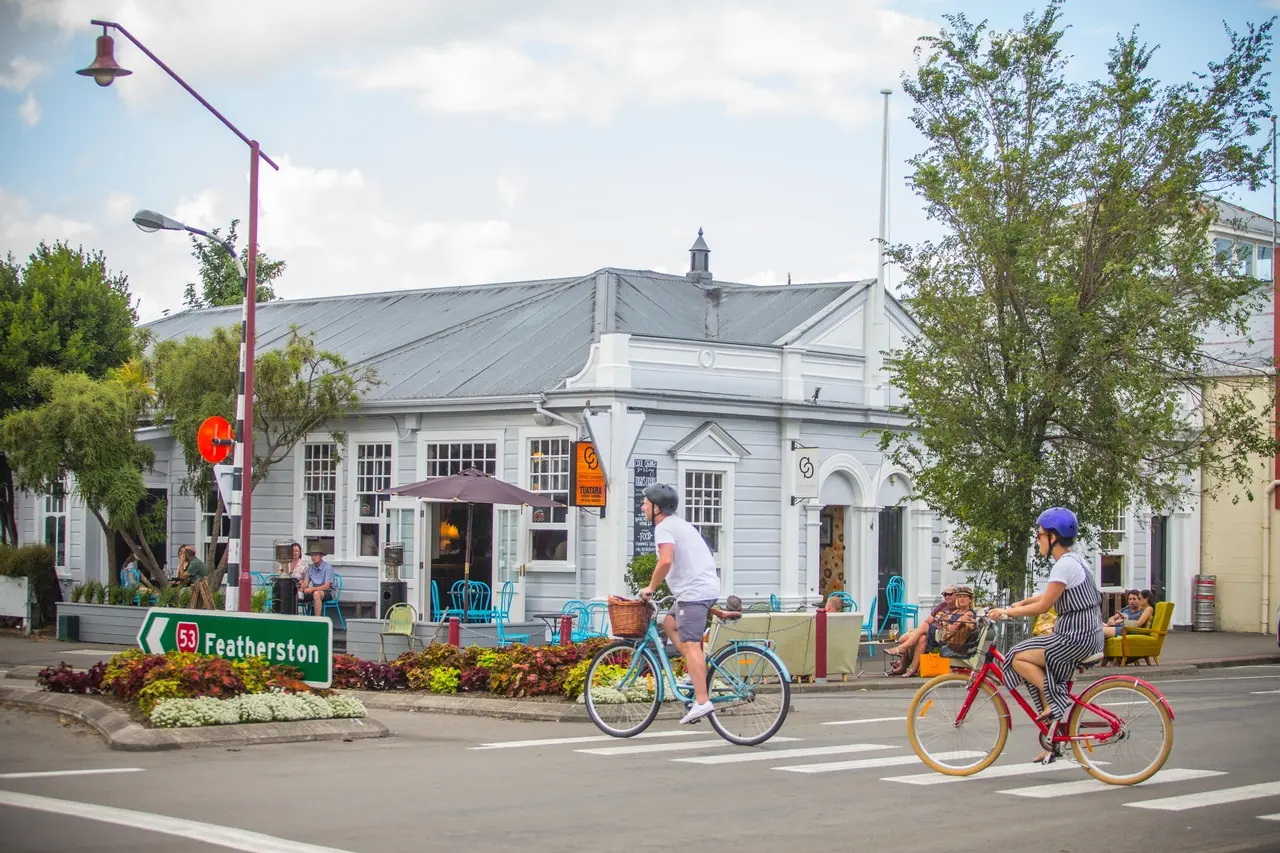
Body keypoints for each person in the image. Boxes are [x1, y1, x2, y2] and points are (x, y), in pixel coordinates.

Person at [987, 507, 1104, 764]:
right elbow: (1047, 596)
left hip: (1074, 637)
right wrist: (1019, 603)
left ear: (1053, 537)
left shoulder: (1063, 566)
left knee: (1017, 656)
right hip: (1084, 634)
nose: (1037, 540)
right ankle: (1053, 739)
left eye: (1039, 535)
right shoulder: (1074, 561)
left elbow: (1042, 607)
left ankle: (1057, 699)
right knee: (1033, 667)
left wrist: (1006, 612)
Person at [639, 482, 722, 725]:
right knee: (670, 623)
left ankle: (702, 700)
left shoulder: (664, 527)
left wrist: (650, 588)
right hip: (699, 590)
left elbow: (665, 561)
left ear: (657, 507)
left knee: (690, 644)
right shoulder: (681, 525)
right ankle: (694, 674)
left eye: (645, 502)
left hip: (693, 592)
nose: (642, 506)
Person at [885, 585, 958, 675]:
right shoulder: (942, 606)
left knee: (922, 633)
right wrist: (920, 631)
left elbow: (950, 627)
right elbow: (928, 620)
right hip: (930, 631)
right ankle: (904, 667)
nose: (946, 596)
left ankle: (905, 655)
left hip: (940, 635)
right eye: (944, 594)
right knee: (904, 638)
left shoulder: (958, 609)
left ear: (956, 595)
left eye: (949, 594)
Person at [299, 544, 336, 615]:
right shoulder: (310, 568)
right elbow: (306, 583)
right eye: (312, 555)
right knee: (296, 594)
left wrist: (312, 589)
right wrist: (302, 588)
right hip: (314, 591)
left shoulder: (328, 568)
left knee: (316, 594)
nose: (313, 557)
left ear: (321, 556)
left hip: (328, 592)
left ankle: (317, 621)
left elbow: (326, 586)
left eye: (316, 555)